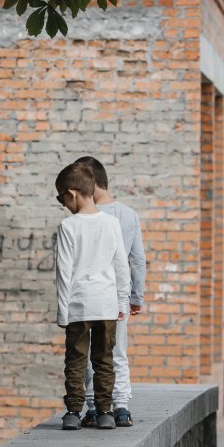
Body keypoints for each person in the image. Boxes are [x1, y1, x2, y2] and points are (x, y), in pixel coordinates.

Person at [54, 162, 131, 430]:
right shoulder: (112, 223)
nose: (63, 205)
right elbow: (121, 266)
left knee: (76, 360)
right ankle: (106, 411)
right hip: (107, 304)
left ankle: (73, 412)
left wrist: (62, 312)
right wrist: (122, 302)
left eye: (61, 198)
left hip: (78, 304)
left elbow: (64, 272)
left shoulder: (68, 226)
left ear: (72, 193)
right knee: (104, 360)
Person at [74, 156, 146, 428]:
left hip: (89, 295)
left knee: (91, 353)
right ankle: (122, 407)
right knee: (118, 352)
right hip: (119, 295)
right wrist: (136, 296)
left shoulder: (84, 216)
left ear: (89, 184)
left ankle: (94, 407)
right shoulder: (129, 214)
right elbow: (137, 259)